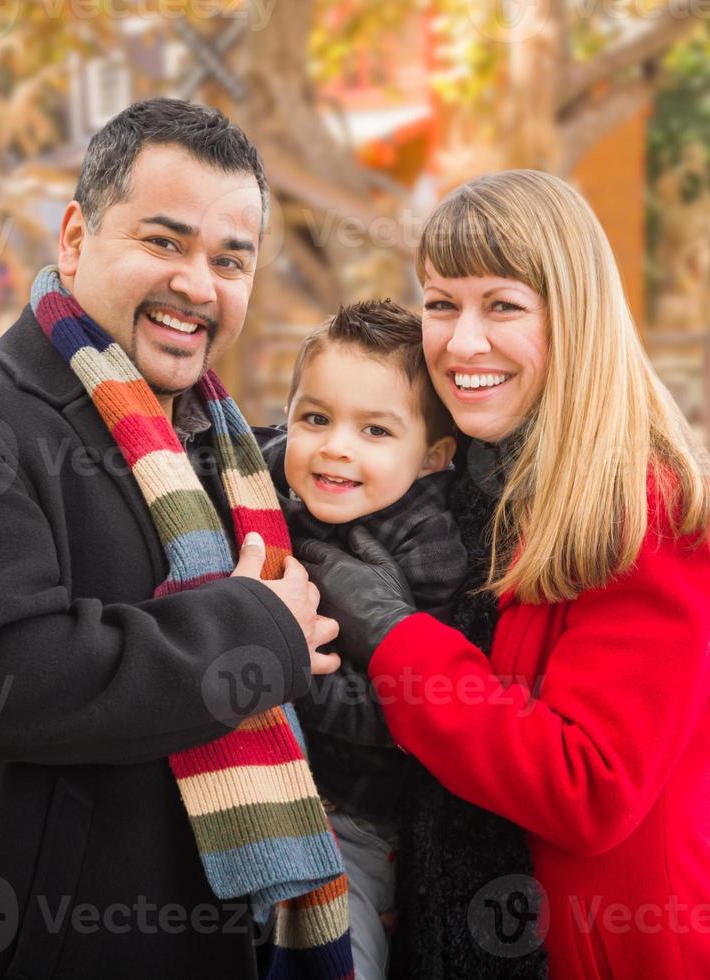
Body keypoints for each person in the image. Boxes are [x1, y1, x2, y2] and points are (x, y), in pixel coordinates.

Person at [0, 98, 351, 978]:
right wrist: (253, 631)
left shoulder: (237, 459)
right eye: (163, 243)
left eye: (229, 260)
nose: (198, 286)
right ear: (75, 239)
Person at [297, 169, 710, 979]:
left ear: (573, 317)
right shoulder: (460, 478)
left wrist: (393, 635)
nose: (461, 342)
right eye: (440, 303)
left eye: (502, 305)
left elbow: (588, 786)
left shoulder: (648, 512)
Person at [254, 299, 462, 979]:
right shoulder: (270, 481)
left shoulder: (428, 547)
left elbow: (401, 716)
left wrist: (286, 668)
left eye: (375, 430)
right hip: (262, 786)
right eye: (316, 418)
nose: (336, 446)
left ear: (432, 457)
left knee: (335, 950)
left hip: (354, 815)